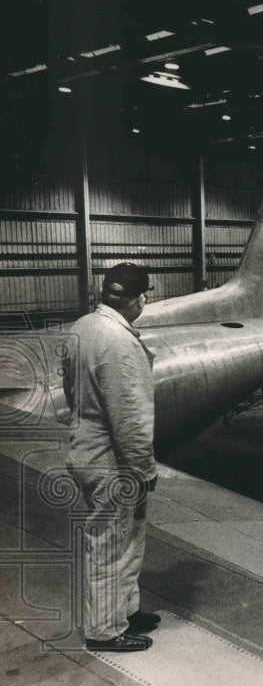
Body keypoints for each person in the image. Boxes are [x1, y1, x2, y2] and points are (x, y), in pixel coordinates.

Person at [64, 263, 160, 652]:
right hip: (113, 461)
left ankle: (126, 611)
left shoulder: (82, 327)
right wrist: (143, 467)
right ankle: (104, 631)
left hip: (85, 446)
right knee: (111, 546)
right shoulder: (121, 343)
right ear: (139, 298)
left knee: (127, 537)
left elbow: (70, 388)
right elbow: (131, 416)